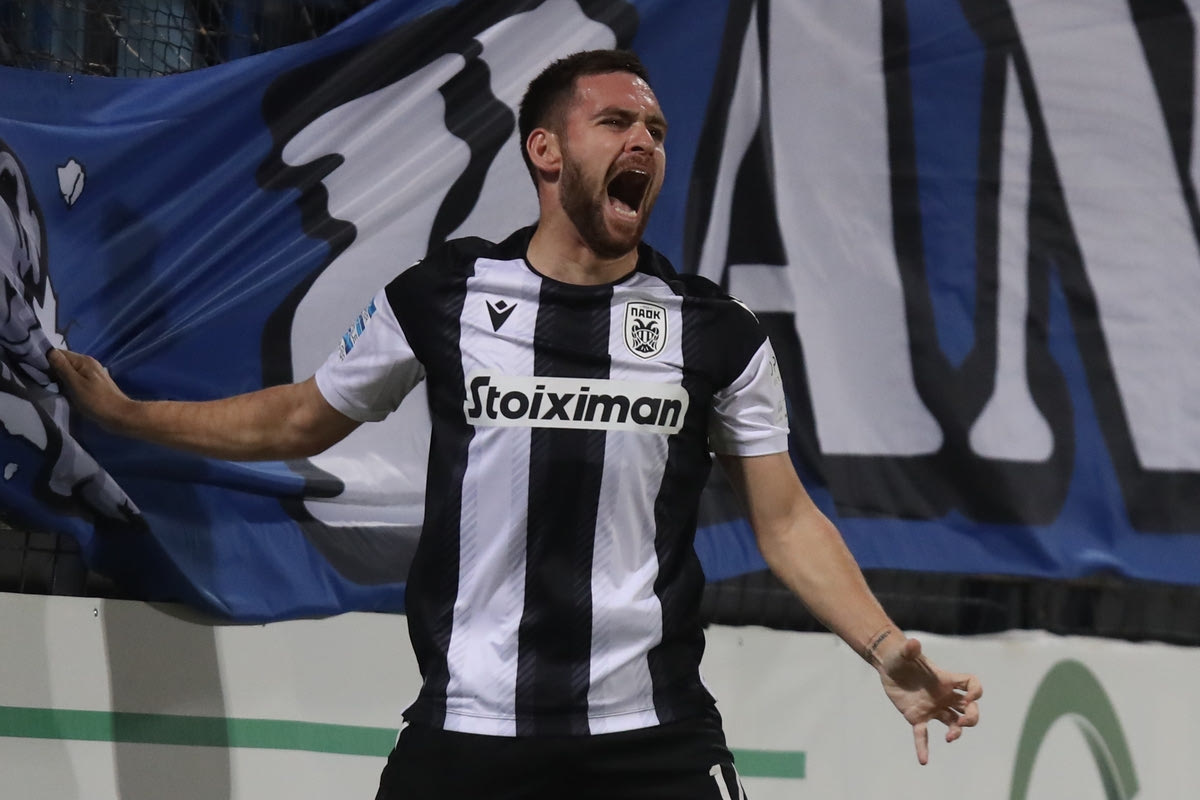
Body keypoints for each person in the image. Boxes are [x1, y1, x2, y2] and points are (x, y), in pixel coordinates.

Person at [50, 49, 981, 799]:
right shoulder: (442, 297)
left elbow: (786, 521)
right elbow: (298, 420)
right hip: (470, 732)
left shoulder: (716, 332)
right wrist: (130, 416)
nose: (645, 140)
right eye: (616, 122)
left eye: (657, 130)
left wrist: (882, 648)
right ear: (545, 150)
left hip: (650, 735)